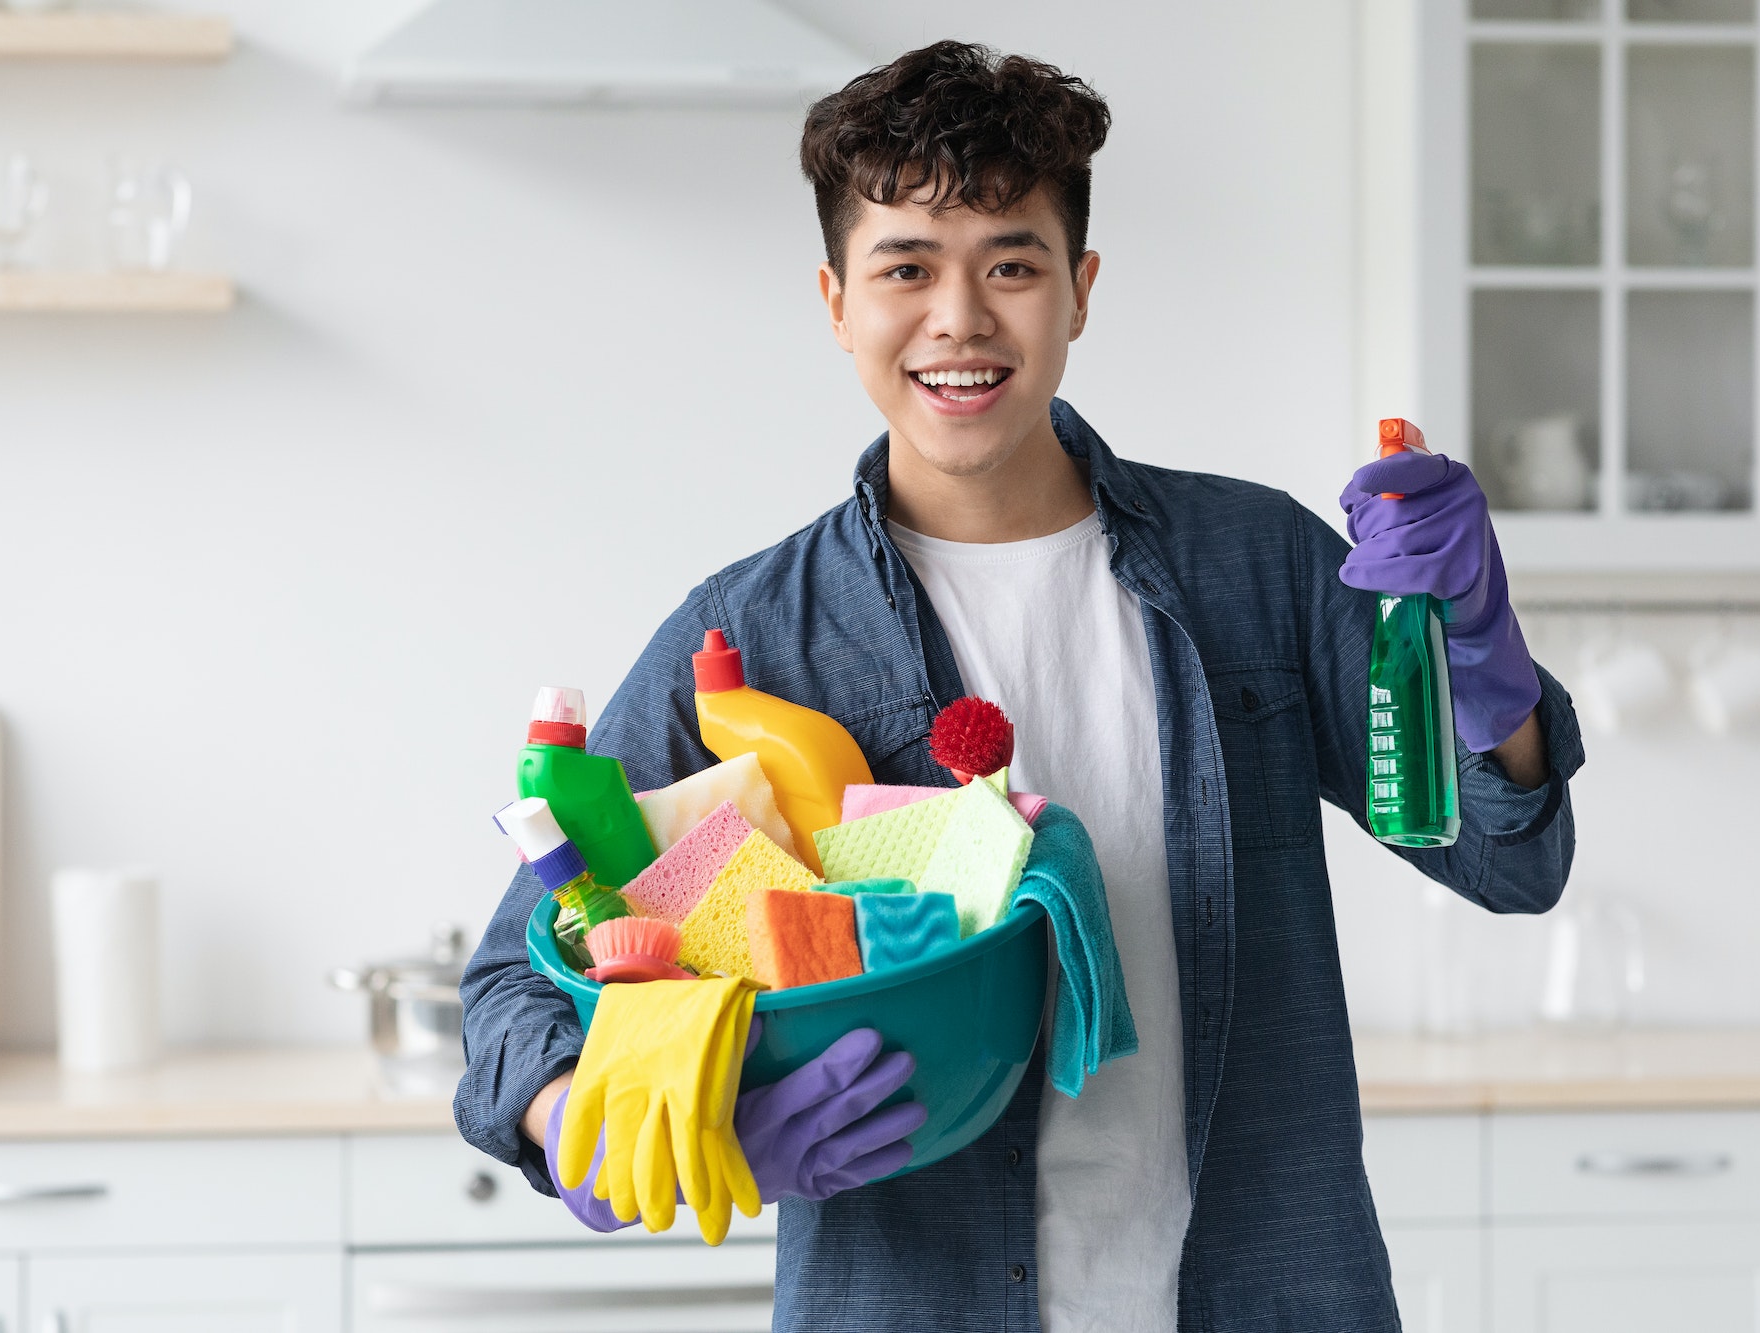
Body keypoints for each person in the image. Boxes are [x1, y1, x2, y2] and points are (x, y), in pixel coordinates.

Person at [456, 40, 1582, 1333]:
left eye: (1011, 263)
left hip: (1263, 1290)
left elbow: (1514, 860)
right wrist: (603, 1126)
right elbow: (510, 988)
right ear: (835, 301)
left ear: (1080, 289)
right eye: (906, 269)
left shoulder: (1257, 566)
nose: (959, 319)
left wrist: (1487, 673)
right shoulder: (750, 639)